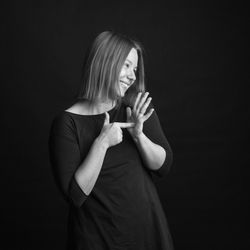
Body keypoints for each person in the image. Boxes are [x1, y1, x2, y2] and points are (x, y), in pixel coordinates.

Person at [49, 30, 174, 250]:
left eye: (134, 69)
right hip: (96, 239)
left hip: (146, 232)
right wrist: (101, 143)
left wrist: (139, 136)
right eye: (126, 66)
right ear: (105, 62)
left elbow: (163, 165)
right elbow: (76, 196)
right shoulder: (66, 123)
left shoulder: (135, 106)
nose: (132, 76)